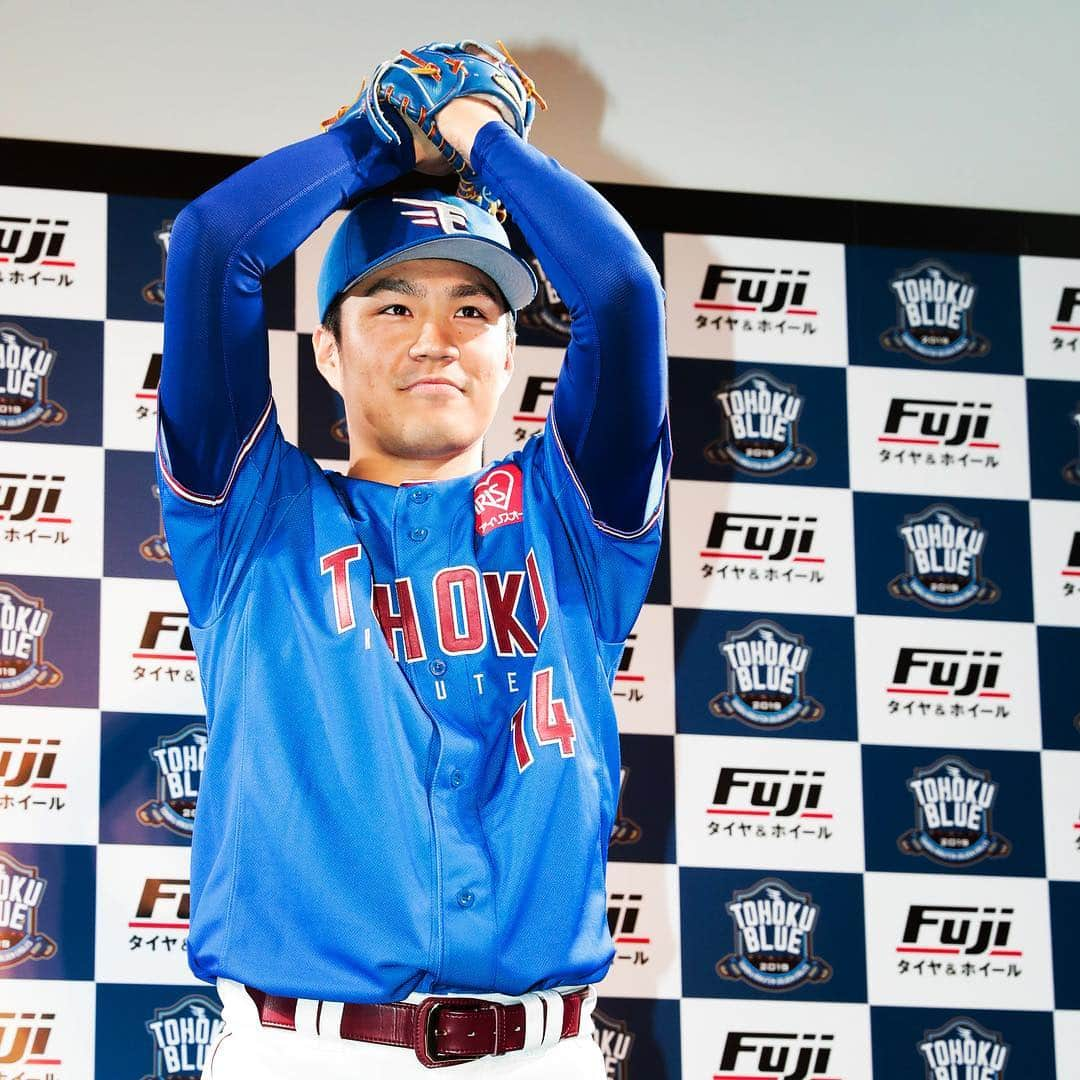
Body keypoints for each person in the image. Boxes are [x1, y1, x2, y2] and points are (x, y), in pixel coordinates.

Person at [156, 40, 670, 1078]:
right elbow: (216, 248)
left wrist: (480, 136)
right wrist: (373, 137)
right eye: (392, 305)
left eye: (473, 310)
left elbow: (619, 293)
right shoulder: (253, 511)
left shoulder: (572, 520)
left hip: (541, 1055)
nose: (436, 337)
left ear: (510, 352)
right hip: (301, 1053)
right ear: (329, 350)